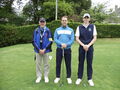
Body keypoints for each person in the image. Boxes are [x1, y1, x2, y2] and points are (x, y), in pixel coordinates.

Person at [75, 13, 97, 86]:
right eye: (85, 18)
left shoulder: (93, 26)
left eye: (87, 18)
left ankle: (89, 78)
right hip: (82, 47)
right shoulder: (79, 27)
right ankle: (79, 77)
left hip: (90, 47)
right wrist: (83, 45)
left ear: (89, 19)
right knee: (81, 62)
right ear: (83, 19)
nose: (86, 19)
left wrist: (88, 45)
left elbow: (94, 38)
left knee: (89, 63)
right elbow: (77, 38)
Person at [54, 16, 74, 84]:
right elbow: (55, 39)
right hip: (59, 49)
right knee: (58, 64)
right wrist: (61, 44)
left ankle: (68, 77)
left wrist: (66, 44)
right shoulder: (57, 30)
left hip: (67, 49)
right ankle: (57, 77)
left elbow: (72, 40)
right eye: (63, 20)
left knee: (68, 64)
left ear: (67, 21)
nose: (64, 21)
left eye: (65, 20)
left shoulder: (71, 30)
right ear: (61, 21)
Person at [32, 17, 53, 83]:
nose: (42, 23)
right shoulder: (36, 30)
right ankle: (39, 76)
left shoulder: (48, 30)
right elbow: (33, 41)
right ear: (39, 23)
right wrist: (38, 49)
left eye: (43, 22)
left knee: (46, 64)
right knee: (38, 64)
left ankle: (46, 76)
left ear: (45, 23)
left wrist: (45, 49)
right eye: (41, 22)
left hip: (45, 50)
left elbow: (50, 40)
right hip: (38, 50)